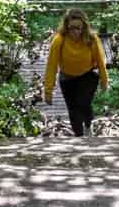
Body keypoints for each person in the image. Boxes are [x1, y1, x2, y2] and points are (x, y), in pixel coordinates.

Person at [43, 8, 107, 137]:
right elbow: (52, 65)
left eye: (78, 28)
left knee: (83, 104)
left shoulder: (91, 39)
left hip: (87, 75)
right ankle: (79, 138)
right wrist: (48, 91)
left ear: (84, 26)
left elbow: (100, 60)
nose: (75, 31)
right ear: (66, 27)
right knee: (73, 110)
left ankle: (88, 126)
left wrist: (104, 80)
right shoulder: (59, 40)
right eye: (72, 28)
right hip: (67, 77)